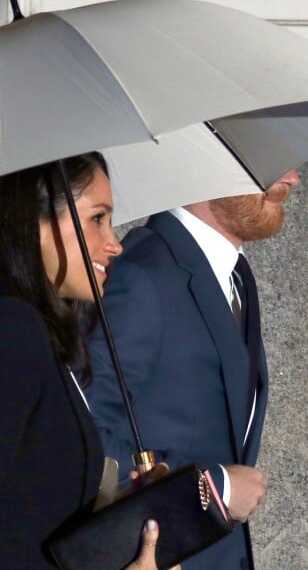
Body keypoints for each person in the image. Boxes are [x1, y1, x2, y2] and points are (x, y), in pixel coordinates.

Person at [0, 153, 170, 569]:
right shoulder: (8, 329)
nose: (115, 243)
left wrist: (122, 510)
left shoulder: (35, 335)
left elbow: (29, 513)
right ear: (30, 222)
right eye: (97, 219)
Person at [86, 169, 301, 569]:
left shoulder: (234, 274)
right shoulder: (141, 275)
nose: (292, 177)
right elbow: (83, 439)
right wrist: (212, 488)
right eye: (273, 161)